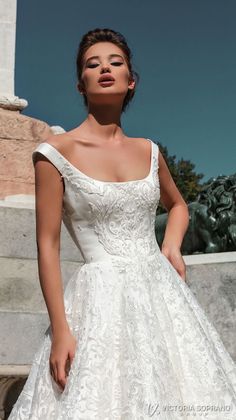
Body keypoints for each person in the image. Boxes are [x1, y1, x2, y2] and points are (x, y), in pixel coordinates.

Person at [9, 28, 236, 420]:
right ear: (80, 85)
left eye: (115, 62)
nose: (104, 69)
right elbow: (47, 245)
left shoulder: (148, 150)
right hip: (99, 299)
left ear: (132, 81)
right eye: (92, 65)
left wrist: (171, 245)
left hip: (162, 297)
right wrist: (60, 329)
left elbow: (178, 205)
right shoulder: (53, 154)